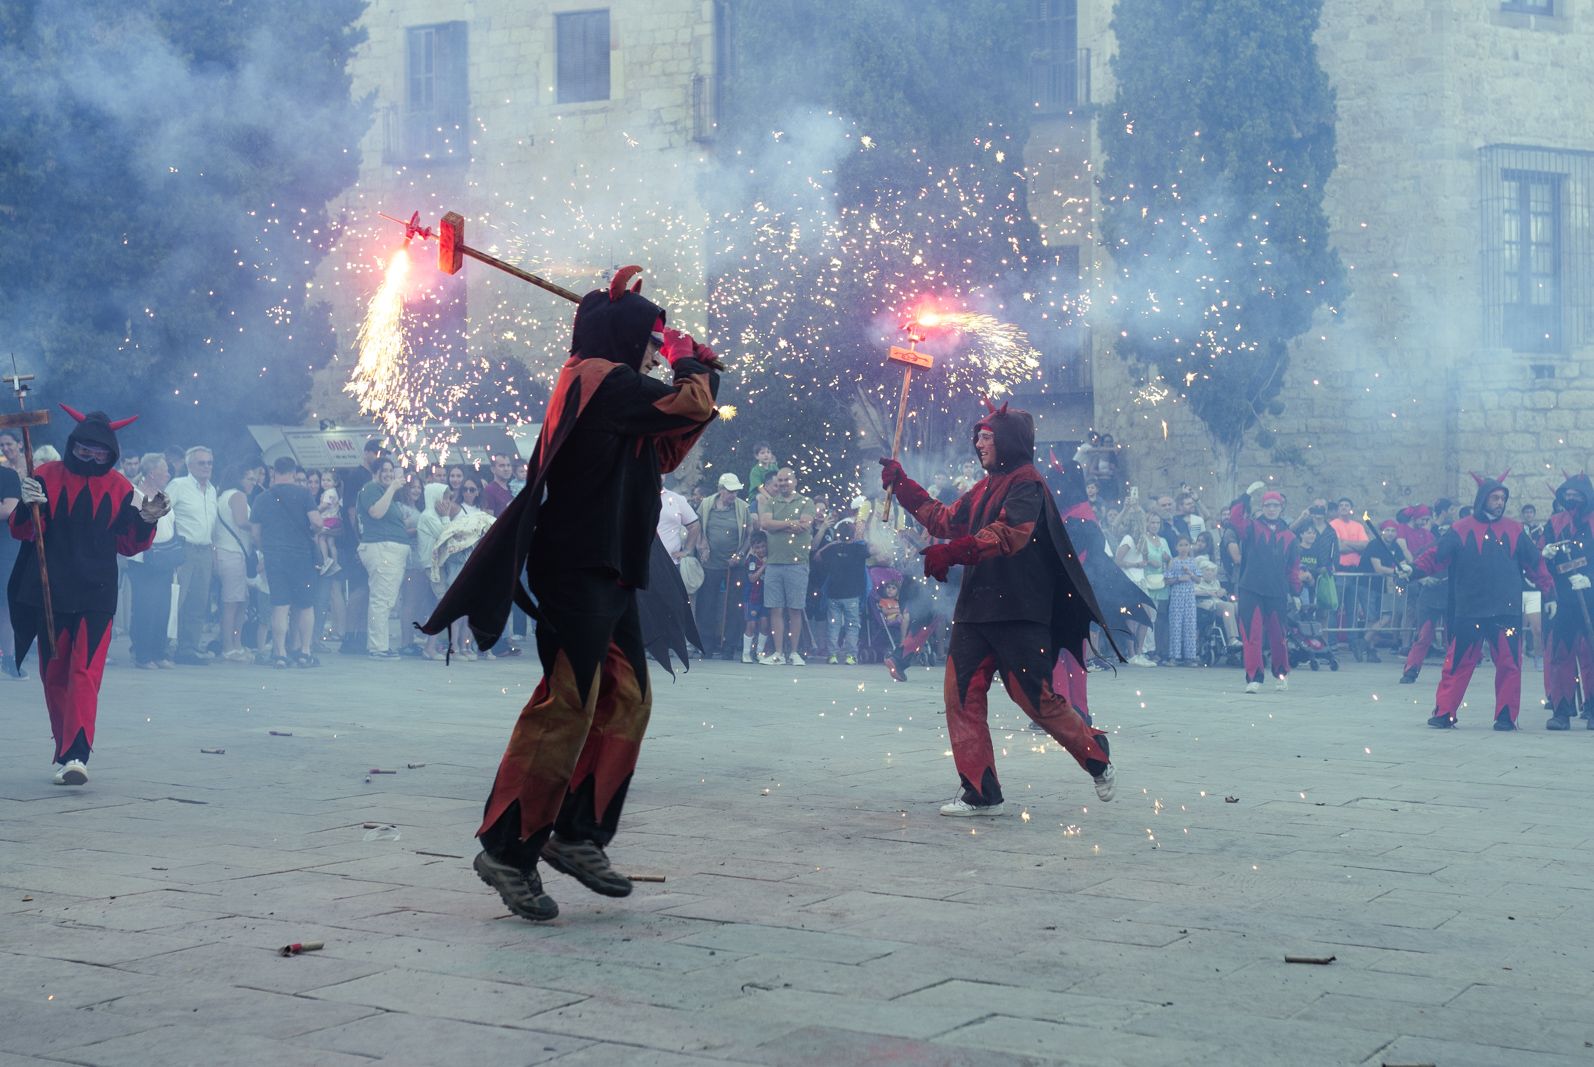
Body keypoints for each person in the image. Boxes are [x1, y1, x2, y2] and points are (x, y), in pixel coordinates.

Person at [420, 266, 721, 922]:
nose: (652, 352)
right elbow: (688, 404)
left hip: (608, 571)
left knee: (628, 700)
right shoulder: (597, 379)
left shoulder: (609, 389)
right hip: (578, 569)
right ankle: (507, 848)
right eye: (648, 340)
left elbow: (668, 444)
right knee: (568, 707)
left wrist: (701, 371)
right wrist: (689, 362)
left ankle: (580, 833)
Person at [878, 401, 1118, 817]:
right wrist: (903, 487)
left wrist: (953, 552)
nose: (979, 443)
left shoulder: (1028, 484)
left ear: (1007, 441)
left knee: (1035, 701)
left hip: (1019, 612)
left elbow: (1011, 534)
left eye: (987, 437)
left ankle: (1094, 751)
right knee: (961, 694)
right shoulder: (985, 486)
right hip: (975, 610)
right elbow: (944, 518)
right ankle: (981, 791)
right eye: (979, 437)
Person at [8, 407, 167, 784]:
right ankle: (66, 754)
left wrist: (146, 520)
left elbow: (128, 544)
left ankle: (77, 754)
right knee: (54, 675)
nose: (92, 457)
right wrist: (27, 505)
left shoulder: (120, 488)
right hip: (51, 592)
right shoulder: (45, 475)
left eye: (100, 451)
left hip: (97, 594)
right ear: (73, 445)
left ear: (110, 452)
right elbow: (24, 532)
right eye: (85, 449)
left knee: (85, 671)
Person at [1405, 475, 1554, 730]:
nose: (1500, 502)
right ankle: (1444, 712)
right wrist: (1414, 570)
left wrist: (1549, 593)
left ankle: (1506, 716)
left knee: (1509, 664)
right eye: (1495, 498)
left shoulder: (1515, 529)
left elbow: (1535, 563)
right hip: (1470, 610)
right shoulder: (1461, 528)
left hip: (1504, 611)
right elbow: (1437, 555)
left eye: (1503, 498)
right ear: (1483, 498)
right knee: (1457, 663)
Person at [1229, 484, 1302, 694]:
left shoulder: (1290, 537)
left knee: (1278, 637)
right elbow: (1234, 519)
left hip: (1277, 592)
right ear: (1262, 507)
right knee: (1252, 636)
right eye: (1268, 505)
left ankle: (1281, 674)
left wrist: (1296, 592)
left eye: (1275, 505)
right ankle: (1254, 678)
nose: (1271, 509)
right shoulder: (1251, 527)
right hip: (1250, 589)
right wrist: (1245, 496)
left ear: (1281, 508)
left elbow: (1293, 568)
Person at [250, 457, 321, 668]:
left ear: (274, 473)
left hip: (275, 556)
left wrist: (267, 548)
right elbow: (316, 522)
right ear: (292, 472)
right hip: (301, 557)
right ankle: (304, 652)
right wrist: (315, 531)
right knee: (306, 605)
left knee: (279, 605)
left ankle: (279, 653)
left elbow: (255, 533)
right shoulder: (304, 494)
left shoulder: (262, 498)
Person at [1538, 474, 1594, 730]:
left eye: (1576, 495)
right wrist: (1545, 554)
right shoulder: (1555, 522)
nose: (1571, 499)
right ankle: (1562, 710)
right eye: (1567, 495)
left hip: (1590, 596)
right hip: (1564, 598)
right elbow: (1542, 560)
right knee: (1561, 652)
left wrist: (1590, 577)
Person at [758, 467, 816, 666]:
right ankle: (778, 653)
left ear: (795, 480)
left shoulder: (806, 502)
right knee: (775, 609)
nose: (783, 483)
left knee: (795, 609)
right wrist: (792, 523)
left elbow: (806, 524)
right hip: (773, 564)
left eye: (786, 480)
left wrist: (778, 524)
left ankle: (794, 652)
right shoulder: (771, 502)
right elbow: (765, 523)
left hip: (797, 564)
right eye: (780, 480)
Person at [165, 445, 218, 664]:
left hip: (205, 550)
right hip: (184, 549)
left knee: (198, 602)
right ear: (189, 465)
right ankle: (163, 647)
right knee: (176, 601)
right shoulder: (178, 485)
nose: (207, 467)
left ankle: (189, 648)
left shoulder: (212, 489)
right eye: (201, 463)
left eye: (209, 463)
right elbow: (160, 512)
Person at [127, 453, 179, 670]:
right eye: (164, 469)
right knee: (145, 606)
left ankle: (159, 652)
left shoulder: (164, 495)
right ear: (151, 473)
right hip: (142, 558)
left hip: (164, 556)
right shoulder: (135, 494)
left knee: (162, 606)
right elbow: (146, 518)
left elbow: (171, 524)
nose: (168, 473)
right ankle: (143, 654)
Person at [356, 457, 409, 659]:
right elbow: (376, 512)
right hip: (381, 548)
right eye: (384, 470)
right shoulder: (371, 488)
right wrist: (393, 487)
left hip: (388, 549)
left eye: (391, 470)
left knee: (385, 600)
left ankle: (380, 645)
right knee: (381, 599)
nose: (388, 473)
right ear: (375, 472)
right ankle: (378, 647)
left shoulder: (385, 492)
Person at [695, 472, 753, 658]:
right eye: (730, 492)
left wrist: (741, 554)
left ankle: (729, 646)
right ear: (720, 490)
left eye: (736, 492)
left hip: (734, 564)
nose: (733, 495)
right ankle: (706, 645)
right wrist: (701, 545)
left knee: (734, 605)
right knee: (707, 604)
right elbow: (697, 528)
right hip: (711, 562)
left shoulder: (742, 507)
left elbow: (749, 535)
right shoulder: (706, 505)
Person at [214, 463, 258, 663]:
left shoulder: (223, 495)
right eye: (250, 478)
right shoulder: (238, 495)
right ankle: (230, 647)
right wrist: (261, 526)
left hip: (228, 553)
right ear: (239, 478)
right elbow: (242, 522)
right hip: (233, 554)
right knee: (233, 604)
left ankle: (236, 645)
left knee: (238, 602)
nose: (253, 482)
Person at [814, 519, 869, 664]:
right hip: (852, 595)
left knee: (833, 625)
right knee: (852, 625)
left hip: (833, 595)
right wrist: (861, 539)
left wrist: (831, 544)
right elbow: (875, 551)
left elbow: (817, 557)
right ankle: (850, 655)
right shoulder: (859, 549)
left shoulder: (832, 549)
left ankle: (832, 655)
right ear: (853, 534)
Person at [1165, 536, 1202, 666]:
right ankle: (1174, 656)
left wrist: (1190, 574)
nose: (1184, 548)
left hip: (1190, 597)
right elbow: (1167, 580)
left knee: (1190, 626)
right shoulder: (1173, 562)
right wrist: (1179, 579)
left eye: (1186, 545)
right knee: (1175, 625)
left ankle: (1190, 657)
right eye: (1181, 545)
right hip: (1176, 597)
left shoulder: (1193, 562)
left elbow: (1198, 579)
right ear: (1176, 547)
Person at [0, 451, 20, 679]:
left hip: (4, 550)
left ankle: (9, 658)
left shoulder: (7, 476)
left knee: (5, 606)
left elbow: (8, 509)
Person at [741, 532, 770, 662]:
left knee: (764, 624)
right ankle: (746, 653)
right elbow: (752, 578)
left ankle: (759, 652)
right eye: (757, 547)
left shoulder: (770, 558)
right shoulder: (752, 561)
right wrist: (764, 566)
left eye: (763, 546)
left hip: (765, 598)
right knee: (751, 624)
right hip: (752, 598)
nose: (761, 550)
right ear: (753, 548)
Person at [481, 453, 516, 517]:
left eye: (508, 465)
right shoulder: (490, 490)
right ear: (493, 469)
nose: (506, 469)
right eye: (502, 466)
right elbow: (488, 520)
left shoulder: (513, 488)